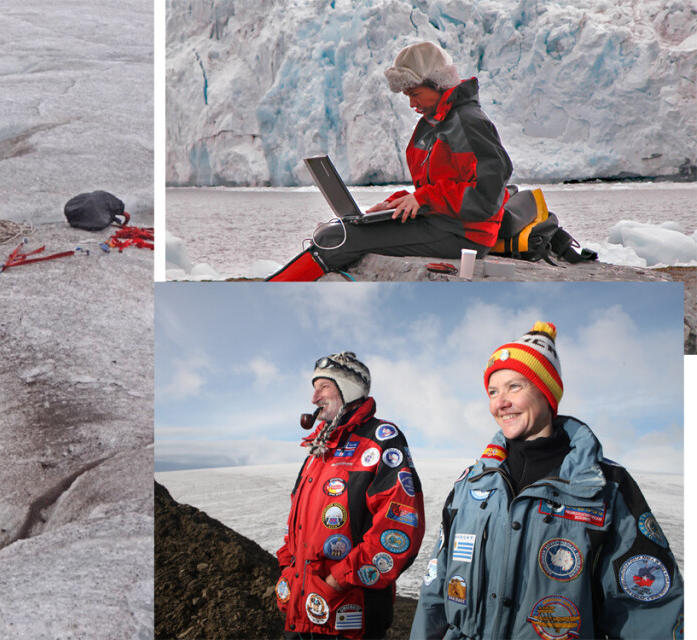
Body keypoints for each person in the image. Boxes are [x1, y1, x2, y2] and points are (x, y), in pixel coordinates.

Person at [411, 322, 684, 639]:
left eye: (515, 387)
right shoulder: (471, 483)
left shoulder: (605, 486)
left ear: (546, 392)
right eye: (493, 392)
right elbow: (435, 589)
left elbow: (648, 612)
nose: (501, 402)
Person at [267, 41, 513, 281]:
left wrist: (422, 198)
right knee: (337, 231)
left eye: (415, 94)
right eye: (408, 95)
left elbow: (487, 196)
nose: (412, 104)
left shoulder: (469, 123)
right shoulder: (436, 121)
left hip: (464, 234)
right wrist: (395, 203)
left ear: (438, 83)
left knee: (337, 239)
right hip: (442, 222)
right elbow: (442, 185)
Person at [276, 352, 425, 639]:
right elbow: (297, 523)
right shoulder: (320, 448)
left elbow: (400, 525)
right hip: (302, 605)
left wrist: (337, 580)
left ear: (348, 389)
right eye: (314, 387)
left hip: (348, 612)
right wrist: (287, 568)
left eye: (324, 387)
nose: (314, 397)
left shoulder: (381, 439)